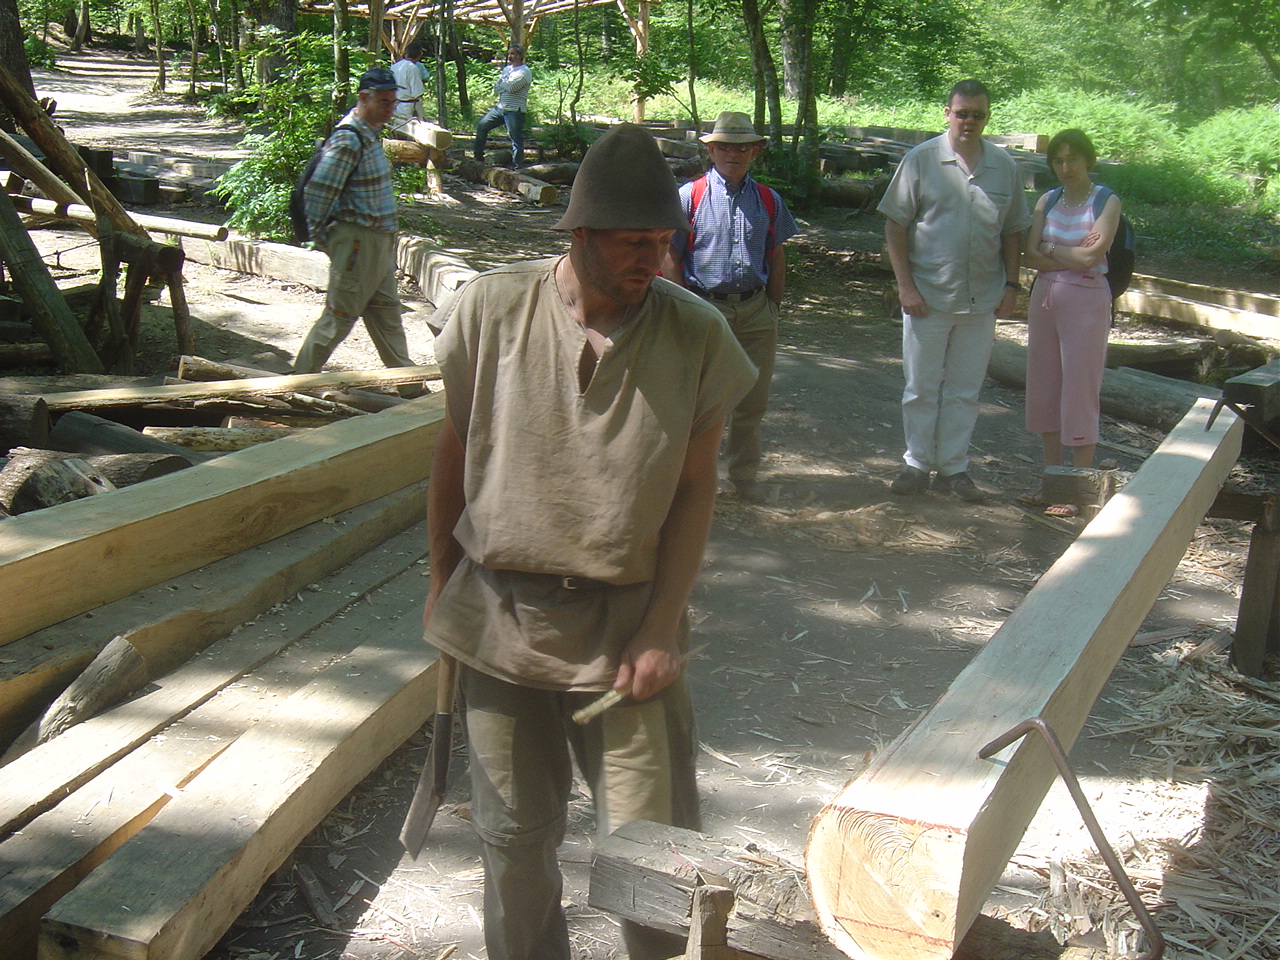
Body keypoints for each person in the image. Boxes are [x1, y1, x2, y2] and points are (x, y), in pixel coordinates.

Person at [418, 123, 755, 960]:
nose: (655, 260)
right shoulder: (492, 311)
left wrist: (659, 627)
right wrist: (440, 583)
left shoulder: (695, 334)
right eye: (633, 242)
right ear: (577, 235)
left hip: (625, 629)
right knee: (513, 846)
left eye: (663, 242)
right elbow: (453, 452)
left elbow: (694, 487)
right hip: (504, 627)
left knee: (655, 857)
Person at [878, 79, 1030, 502]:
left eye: (978, 114)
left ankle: (954, 469)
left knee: (965, 390)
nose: (969, 121)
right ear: (947, 113)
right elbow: (895, 225)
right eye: (962, 113)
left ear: (987, 116)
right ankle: (915, 464)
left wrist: (1013, 286)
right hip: (927, 294)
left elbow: (1014, 230)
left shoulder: (1004, 167)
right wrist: (905, 286)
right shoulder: (921, 160)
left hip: (982, 297)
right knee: (921, 387)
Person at [662, 111, 799, 505]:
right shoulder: (690, 196)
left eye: (742, 147)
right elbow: (669, 253)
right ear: (711, 150)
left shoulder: (769, 200)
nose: (733, 154)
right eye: (724, 146)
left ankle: (743, 477)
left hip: (755, 310)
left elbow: (776, 255)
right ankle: (683, 479)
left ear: (755, 152)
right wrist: (681, 304)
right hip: (703, 308)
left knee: (752, 401)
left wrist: (772, 307)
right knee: (693, 398)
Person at [1020, 128, 1122, 517]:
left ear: (1088, 161)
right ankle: (1051, 481)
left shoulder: (1105, 201)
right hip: (1045, 297)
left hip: (1086, 301)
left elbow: (1091, 259)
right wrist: (1063, 252)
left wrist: (1050, 249)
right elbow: (1030, 254)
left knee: (1080, 387)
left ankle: (1078, 487)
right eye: (1058, 161)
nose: (1066, 168)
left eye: (1072, 160)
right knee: (1045, 386)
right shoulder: (1047, 200)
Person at [294, 67, 415, 375]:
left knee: (388, 321)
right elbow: (318, 192)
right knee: (337, 319)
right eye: (385, 102)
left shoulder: (369, 134)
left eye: (393, 102)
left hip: (378, 246)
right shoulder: (349, 139)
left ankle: (412, 389)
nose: (391, 109)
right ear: (364, 98)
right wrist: (329, 239)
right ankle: (296, 383)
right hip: (359, 244)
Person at [473, 43, 532, 168]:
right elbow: (496, 87)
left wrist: (504, 84)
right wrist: (504, 85)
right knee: (482, 126)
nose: (510, 56)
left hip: (515, 110)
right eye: (509, 53)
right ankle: (478, 158)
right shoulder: (507, 69)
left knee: (515, 139)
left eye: (513, 54)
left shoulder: (524, 72)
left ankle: (517, 167)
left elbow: (511, 88)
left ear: (520, 56)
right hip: (500, 108)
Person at [390, 41, 428, 129]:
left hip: (396, 105)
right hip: (409, 107)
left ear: (405, 53)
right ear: (419, 55)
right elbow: (418, 92)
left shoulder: (395, 66)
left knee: (398, 130)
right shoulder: (413, 68)